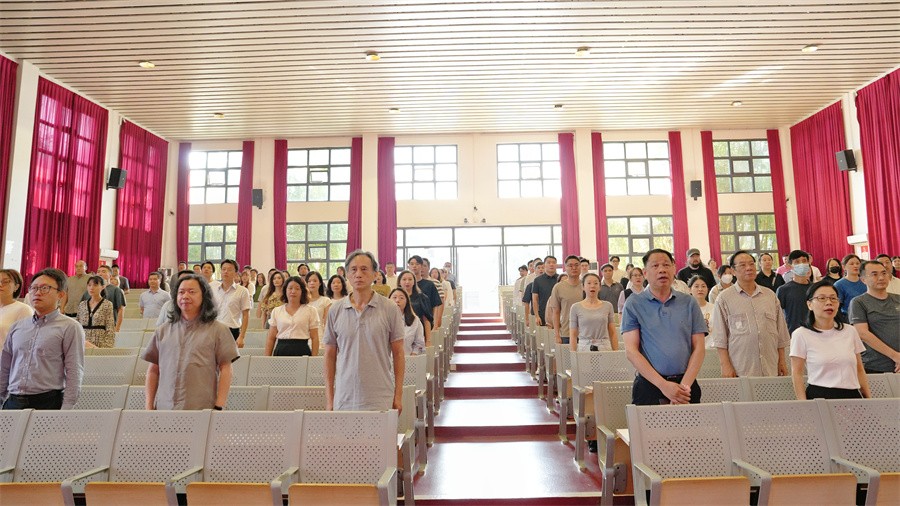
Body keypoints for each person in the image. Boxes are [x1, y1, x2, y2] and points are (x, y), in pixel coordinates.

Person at [324, 250, 405, 412]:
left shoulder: (389, 308)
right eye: (353, 270)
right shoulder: (335, 310)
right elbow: (329, 355)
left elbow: (398, 354)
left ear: (375, 274)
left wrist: (398, 396)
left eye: (364, 269)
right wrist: (330, 399)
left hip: (380, 396)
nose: (358, 274)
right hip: (345, 396)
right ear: (347, 275)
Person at [143, 274, 238, 410]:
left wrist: (219, 405)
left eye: (192, 292)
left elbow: (226, 368)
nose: (185, 296)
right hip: (165, 407)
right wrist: (149, 406)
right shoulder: (162, 331)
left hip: (201, 408)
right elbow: (153, 370)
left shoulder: (218, 330)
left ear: (204, 296)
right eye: (181, 292)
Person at [622, 249, 705, 405]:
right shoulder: (634, 303)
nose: (662, 270)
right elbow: (631, 351)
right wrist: (664, 386)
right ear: (645, 273)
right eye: (655, 266)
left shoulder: (689, 302)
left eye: (666, 265)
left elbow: (699, 348)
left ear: (674, 269)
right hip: (649, 385)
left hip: (686, 385)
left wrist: (683, 389)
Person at [1, 268, 84, 410]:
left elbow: (74, 371)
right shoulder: (18, 326)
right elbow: (5, 367)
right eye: (34, 288)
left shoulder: (70, 327)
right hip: (13, 401)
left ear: (61, 294)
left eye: (45, 288)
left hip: (47, 402)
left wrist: (66, 409)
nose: (37, 292)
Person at [711, 250, 790, 378]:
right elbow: (720, 338)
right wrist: (725, 365)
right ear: (733, 271)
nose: (748, 268)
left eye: (751, 264)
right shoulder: (724, 298)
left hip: (771, 366)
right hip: (740, 369)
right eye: (742, 265)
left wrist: (782, 360)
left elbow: (780, 332)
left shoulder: (770, 296)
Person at [790, 281, 870, 400]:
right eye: (822, 298)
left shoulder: (850, 331)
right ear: (809, 304)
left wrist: (868, 399)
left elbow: (859, 369)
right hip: (819, 396)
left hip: (852, 396)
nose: (829, 302)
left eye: (833, 298)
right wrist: (803, 404)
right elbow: (797, 373)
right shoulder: (801, 334)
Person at [850, 261, 900, 373]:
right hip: (876, 366)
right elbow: (862, 333)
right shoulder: (858, 302)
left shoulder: (898, 298)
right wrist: (895, 356)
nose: (881, 278)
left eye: (884, 273)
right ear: (863, 279)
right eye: (874, 274)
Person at [265, 276, 320, 357]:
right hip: (281, 350)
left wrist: (313, 359)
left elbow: (315, 338)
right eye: (290, 288)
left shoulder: (311, 310)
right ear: (285, 290)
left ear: (302, 291)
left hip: (302, 350)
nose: (293, 291)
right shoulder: (277, 311)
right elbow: (271, 338)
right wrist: (267, 358)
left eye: (297, 289)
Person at [569, 273, 617, 352]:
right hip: (584, 347)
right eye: (589, 283)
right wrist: (573, 353)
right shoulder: (575, 307)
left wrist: (616, 353)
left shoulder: (608, 306)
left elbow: (613, 332)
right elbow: (573, 335)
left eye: (595, 283)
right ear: (583, 287)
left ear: (600, 287)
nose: (592, 286)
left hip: (604, 347)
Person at [546, 255, 585, 345]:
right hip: (566, 333)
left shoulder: (587, 285)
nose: (574, 268)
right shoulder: (558, 287)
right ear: (565, 268)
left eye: (576, 265)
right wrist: (557, 335)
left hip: (586, 333)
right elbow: (556, 312)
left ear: (580, 266)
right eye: (570, 265)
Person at [776, 249, 815, 334]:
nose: (801, 264)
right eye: (797, 262)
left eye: (804, 261)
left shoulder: (815, 288)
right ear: (790, 266)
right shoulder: (783, 290)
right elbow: (777, 315)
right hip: (793, 333)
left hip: (814, 332)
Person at [214, 259, 252, 347]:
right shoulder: (214, 290)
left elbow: (246, 315)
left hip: (232, 330)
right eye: (223, 269)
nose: (226, 272)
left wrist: (242, 336)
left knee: (231, 356)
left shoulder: (242, 291)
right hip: (215, 330)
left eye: (229, 269)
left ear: (236, 273)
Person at [82, 265, 126, 332]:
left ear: (110, 276)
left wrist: (117, 328)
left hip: (108, 327)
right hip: (89, 327)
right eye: (98, 271)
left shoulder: (116, 290)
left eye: (103, 271)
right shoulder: (89, 290)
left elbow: (121, 309)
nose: (100, 273)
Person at [76, 276, 116, 348]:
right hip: (83, 341)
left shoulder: (107, 304)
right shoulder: (82, 304)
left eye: (95, 285)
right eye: (89, 285)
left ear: (102, 287)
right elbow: (77, 325)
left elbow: (110, 327)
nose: (91, 288)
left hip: (100, 342)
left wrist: (107, 347)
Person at [0, 269, 34, 348]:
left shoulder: (23, 309)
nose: (0, 284)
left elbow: (26, 343)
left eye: (5, 281)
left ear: (16, 287)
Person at [398, 270, 433, 346]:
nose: (407, 282)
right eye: (404, 279)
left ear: (414, 282)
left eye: (410, 279)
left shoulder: (422, 297)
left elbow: (426, 320)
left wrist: (428, 340)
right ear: (399, 282)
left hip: (418, 334)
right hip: (399, 335)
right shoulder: (395, 298)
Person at [408, 255, 444, 328]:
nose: (414, 266)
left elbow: (435, 306)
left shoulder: (429, 284)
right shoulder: (405, 285)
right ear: (408, 266)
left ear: (421, 266)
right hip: (408, 323)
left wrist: (435, 325)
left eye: (417, 264)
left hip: (426, 323)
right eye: (412, 264)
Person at [390, 288, 425, 355]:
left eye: (401, 298)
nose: (397, 300)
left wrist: (413, 355)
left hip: (408, 358)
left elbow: (419, 343)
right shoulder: (383, 319)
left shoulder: (414, 320)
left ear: (407, 302)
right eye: (394, 297)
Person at [834, 254, 866, 319]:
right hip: (849, 318)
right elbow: (837, 307)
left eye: (857, 263)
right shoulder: (839, 284)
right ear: (844, 267)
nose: (855, 266)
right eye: (851, 264)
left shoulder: (865, 281)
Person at [530, 255, 559, 327]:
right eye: (549, 262)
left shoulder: (560, 279)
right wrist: (537, 316)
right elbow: (535, 299)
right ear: (544, 265)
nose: (551, 264)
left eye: (554, 262)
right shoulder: (537, 280)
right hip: (542, 314)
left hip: (558, 314)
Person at [688, 276, 713, 346]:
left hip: (712, 348)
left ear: (708, 289)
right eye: (696, 286)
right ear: (689, 289)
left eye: (703, 286)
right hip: (692, 348)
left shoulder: (715, 308)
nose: (700, 289)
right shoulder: (685, 310)